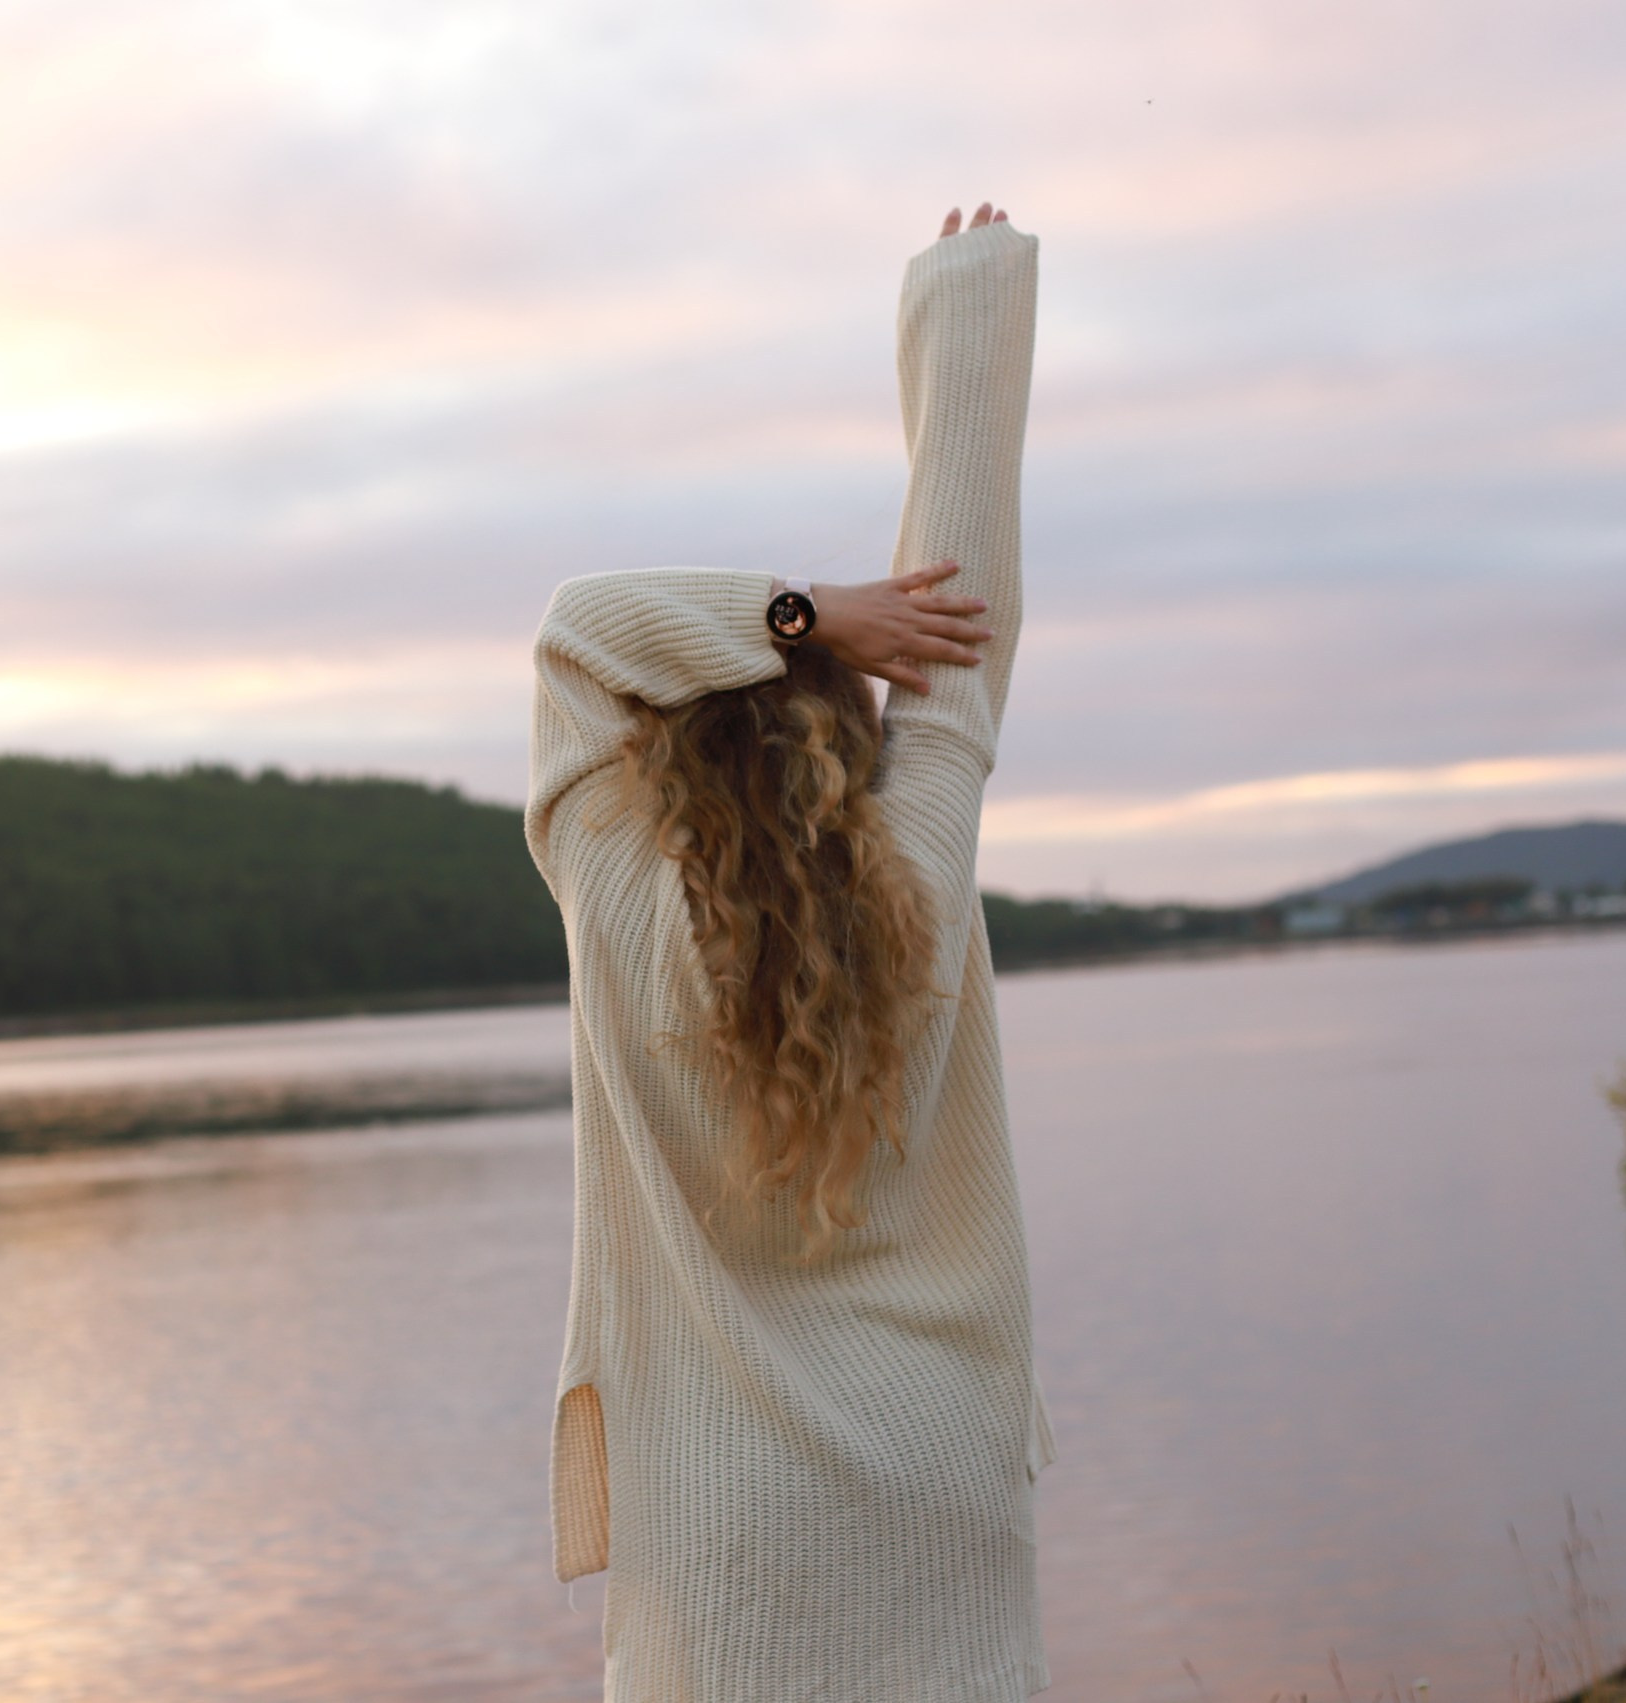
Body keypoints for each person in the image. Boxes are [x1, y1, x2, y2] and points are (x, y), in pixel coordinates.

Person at [523, 201, 1054, 1700]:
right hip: (938, 1469)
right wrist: (973, 309)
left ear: (657, 763)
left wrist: (803, 614)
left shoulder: (619, 900)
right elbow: (959, 655)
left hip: (729, 1523)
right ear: (843, 747)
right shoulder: (917, 891)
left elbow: (577, 635)